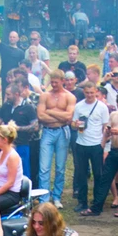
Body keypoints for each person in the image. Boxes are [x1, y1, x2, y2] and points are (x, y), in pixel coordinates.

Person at [69, 82, 110, 217]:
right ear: (84, 92)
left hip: (96, 144)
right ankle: (82, 202)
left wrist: (103, 144)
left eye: (92, 92)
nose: (90, 95)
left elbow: (105, 126)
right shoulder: (79, 106)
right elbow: (73, 124)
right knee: (81, 174)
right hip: (81, 143)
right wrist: (76, 124)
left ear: (96, 91)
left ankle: (97, 202)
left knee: (98, 174)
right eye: (87, 93)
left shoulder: (102, 107)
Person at [36, 72, 75, 204]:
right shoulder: (45, 96)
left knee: (60, 167)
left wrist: (50, 111)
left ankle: (57, 196)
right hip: (47, 131)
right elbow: (40, 116)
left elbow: (68, 116)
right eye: (52, 82)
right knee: (44, 167)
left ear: (62, 81)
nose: (53, 85)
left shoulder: (69, 97)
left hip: (62, 131)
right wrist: (60, 116)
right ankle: (44, 198)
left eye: (56, 82)